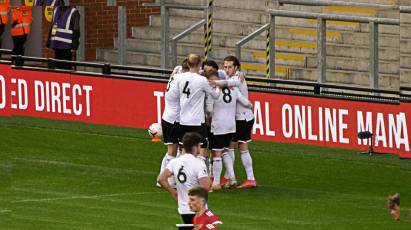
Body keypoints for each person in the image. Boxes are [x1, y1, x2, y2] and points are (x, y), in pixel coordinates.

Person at [205, 70, 251, 190]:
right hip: (231, 125)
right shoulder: (233, 89)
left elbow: (209, 110)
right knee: (225, 150)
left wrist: (208, 117)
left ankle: (215, 182)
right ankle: (232, 178)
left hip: (218, 125)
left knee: (216, 154)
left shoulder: (213, 91)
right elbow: (246, 103)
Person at [158, 132, 212, 224]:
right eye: (199, 145)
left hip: (183, 209)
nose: (200, 147)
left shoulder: (175, 162)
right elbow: (206, 186)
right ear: (195, 147)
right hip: (198, 208)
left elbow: (161, 179)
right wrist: (210, 181)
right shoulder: (198, 163)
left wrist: (173, 192)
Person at [177, 54, 220, 166]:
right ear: (200, 64)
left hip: (183, 120)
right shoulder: (202, 80)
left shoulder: (180, 77)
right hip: (197, 121)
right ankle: (200, 175)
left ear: (187, 64)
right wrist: (218, 86)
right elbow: (215, 95)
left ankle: (182, 175)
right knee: (202, 150)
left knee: (183, 150)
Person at [223, 56, 257, 189]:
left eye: (229, 67)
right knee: (237, 147)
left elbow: (227, 82)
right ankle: (245, 178)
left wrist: (213, 82)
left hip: (241, 118)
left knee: (231, 147)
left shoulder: (236, 79)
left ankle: (232, 177)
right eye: (225, 67)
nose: (227, 69)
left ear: (236, 67)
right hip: (244, 117)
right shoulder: (235, 76)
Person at [156, 61, 185, 187]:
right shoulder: (182, 80)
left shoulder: (177, 71)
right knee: (173, 151)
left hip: (168, 116)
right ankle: (165, 179)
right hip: (174, 119)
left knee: (174, 150)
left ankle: (163, 178)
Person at [46, 4, 80, 70]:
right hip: (56, 44)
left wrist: (74, 45)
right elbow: (53, 27)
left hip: (66, 46)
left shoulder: (74, 12)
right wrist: (49, 41)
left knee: (66, 67)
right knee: (58, 66)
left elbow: (76, 30)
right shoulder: (56, 10)